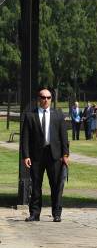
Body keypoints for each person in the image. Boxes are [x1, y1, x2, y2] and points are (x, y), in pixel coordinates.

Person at [21, 86, 69, 222]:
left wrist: (65, 155)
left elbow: (64, 136)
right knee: (36, 185)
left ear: (51, 99)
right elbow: (25, 138)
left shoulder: (58, 115)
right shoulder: (31, 116)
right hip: (36, 156)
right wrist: (26, 156)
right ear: (38, 99)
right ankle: (34, 213)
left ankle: (57, 213)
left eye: (48, 97)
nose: (46, 100)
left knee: (56, 185)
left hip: (54, 155)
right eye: (43, 97)